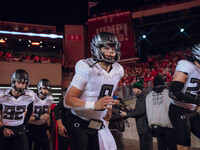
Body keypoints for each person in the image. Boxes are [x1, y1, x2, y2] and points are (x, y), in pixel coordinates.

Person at [64, 32, 124, 150]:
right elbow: (68, 101)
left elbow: (107, 90)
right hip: (79, 122)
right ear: (96, 49)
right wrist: (93, 105)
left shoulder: (118, 70)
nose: (111, 51)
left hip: (97, 123)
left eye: (113, 47)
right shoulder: (87, 68)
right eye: (105, 47)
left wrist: (109, 107)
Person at [168, 44, 200, 150]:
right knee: (184, 144)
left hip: (192, 111)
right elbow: (173, 92)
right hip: (179, 110)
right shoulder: (187, 66)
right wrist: (196, 101)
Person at [0, 69, 34, 150]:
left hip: (19, 129)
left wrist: (24, 124)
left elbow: (29, 112)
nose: (21, 86)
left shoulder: (30, 96)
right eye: (19, 83)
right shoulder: (2, 96)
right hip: (4, 128)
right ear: (13, 82)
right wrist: (3, 128)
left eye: (23, 83)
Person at [146, 75, 177, 150]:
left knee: (161, 147)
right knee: (172, 147)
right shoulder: (168, 94)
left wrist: (150, 126)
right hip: (169, 126)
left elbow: (148, 111)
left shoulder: (149, 96)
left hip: (156, 127)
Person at [122, 80, 153, 150]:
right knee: (143, 146)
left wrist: (127, 114)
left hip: (145, 127)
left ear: (139, 89)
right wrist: (131, 111)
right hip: (142, 127)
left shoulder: (144, 97)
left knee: (146, 146)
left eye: (134, 89)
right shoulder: (140, 97)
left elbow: (141, 111)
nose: (133, 91)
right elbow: (139, 110)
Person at [27, 79, 53, 150]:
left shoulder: (49, 99)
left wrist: (47, 128)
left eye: (48, 89)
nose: (46, 91)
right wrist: (39, 118)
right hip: (30, 126)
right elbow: (27, 118)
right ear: (39, 88)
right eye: (44, 88)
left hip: (41, 127)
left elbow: (48, 114)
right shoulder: (32, 98)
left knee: (40, 146)